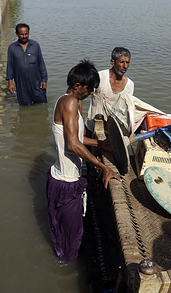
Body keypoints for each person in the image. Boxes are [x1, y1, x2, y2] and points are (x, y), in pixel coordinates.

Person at [47, 59, 121, 261]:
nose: (91, 94)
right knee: (71, 241)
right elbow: (72, 144)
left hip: (60, 179)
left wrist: (100, 145)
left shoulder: (65, 100)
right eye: (90, 89)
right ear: (78, 86)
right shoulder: (70, 103)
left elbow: (77, 139)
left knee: (62, 237)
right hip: (66, 183)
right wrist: (102, 166)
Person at [86, 47, 134, 133]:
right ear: (112, 62)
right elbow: (80, 95)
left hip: (113, 133)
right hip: (92, 128)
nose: (125, 66)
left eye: (127, 62)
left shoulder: (129, 85)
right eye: (122, 62)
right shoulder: (99, 77)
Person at [6, 23, 48, 106]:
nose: (24, 36)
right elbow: (10, 66)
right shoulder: (12, 48)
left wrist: (44, 79)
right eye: (21, 34)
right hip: (21, 83)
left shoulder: (35, 45)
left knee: (42, 104)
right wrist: (10, 83)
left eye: (26, 34)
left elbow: (41, 63)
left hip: (36, 81)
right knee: (25, 106)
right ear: (17, 34)